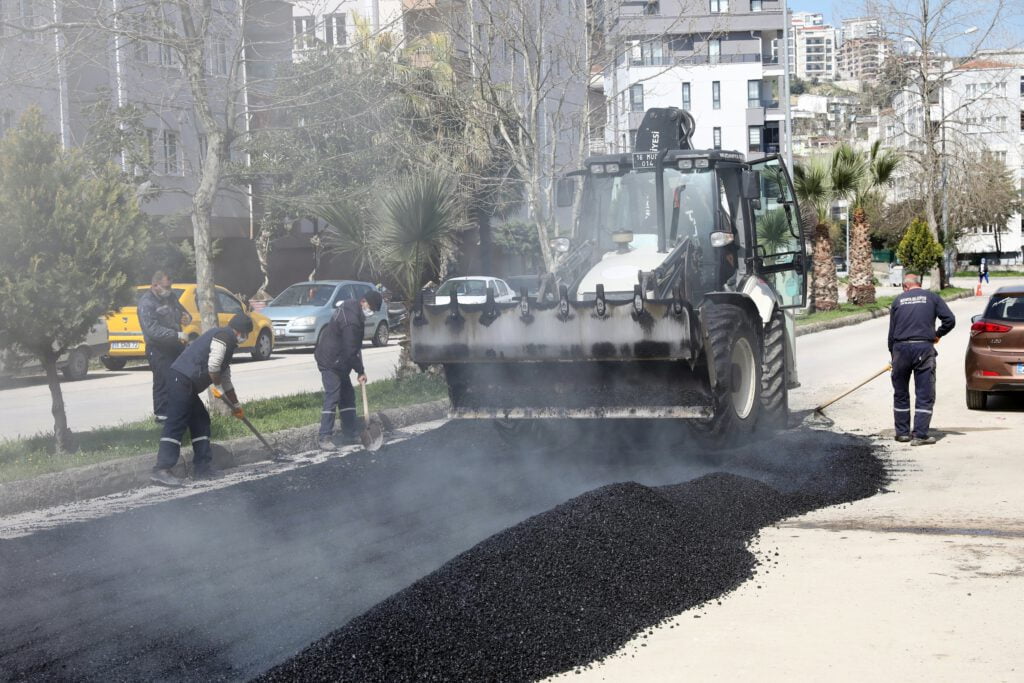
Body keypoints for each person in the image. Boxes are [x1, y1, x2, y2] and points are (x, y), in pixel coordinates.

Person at [150, 313, 253, 487]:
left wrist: (236, 405)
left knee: (200, 420)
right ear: (239, 331)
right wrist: (217, 387)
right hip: (181, 379)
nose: (246, 337)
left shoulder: (228, 342)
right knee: (176, 423)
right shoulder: (223, 336)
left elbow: (225, 377)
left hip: (186, 382)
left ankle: (202, 468)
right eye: (245, 333)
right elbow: (214, 367)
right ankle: (161, 469)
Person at [887, 273, 956, 446]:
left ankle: (902, 433)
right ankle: (919, 435)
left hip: (900, 349)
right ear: (919, 284)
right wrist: (937, 335)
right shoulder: (932, 297)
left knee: (901, 392)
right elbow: (950, 320)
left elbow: (891, 333)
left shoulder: (898, 301)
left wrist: (893, 356)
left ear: (905, 286)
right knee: (924, 393)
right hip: (923, 348)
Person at [315, 289, 383, 450]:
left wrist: (357, 366)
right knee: (333, 395)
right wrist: (360, 370)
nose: (371, 311)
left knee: (348, 396)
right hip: (331, 360)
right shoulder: (351, 320)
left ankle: (350, 433)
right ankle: (324, 437)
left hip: (340, 360)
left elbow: (353, 347)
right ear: (363, 301)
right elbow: (350, 350)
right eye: (371, 307)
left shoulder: (352, 306)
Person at [138, 271, 192, 423]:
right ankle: (162, 417)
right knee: (163, 380)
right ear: (155, 285)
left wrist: (186, 317)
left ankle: (180, 412)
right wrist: (176, 335)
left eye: (170, 286)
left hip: (174, 346)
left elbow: (182, 311)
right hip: (158, 348)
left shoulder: (171, 297)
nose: (169, 289)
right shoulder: (146, 303)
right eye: (166, 287)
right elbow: (152, 330)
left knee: (181, 377)